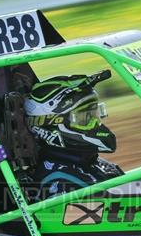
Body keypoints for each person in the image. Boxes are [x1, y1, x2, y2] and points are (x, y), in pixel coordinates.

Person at [23, 70, 123, 199]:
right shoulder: (61, 183)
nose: (95, 123)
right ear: (52, 126)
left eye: (93, 114)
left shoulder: (87, 161)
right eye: (85, 119)